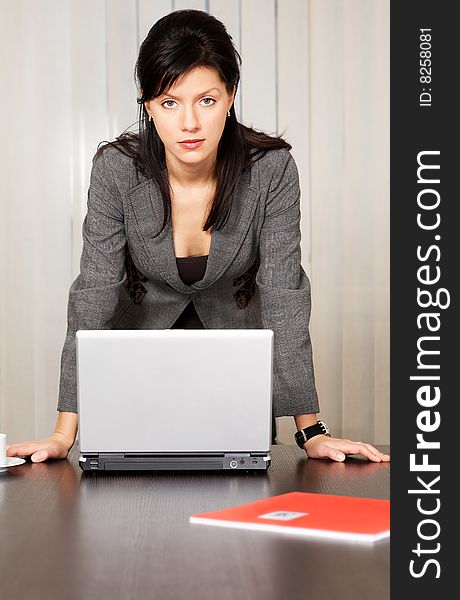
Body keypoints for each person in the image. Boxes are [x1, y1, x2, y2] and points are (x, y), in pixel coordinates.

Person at [7, 9, 389, 465]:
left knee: (238, 499)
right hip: (137, 371)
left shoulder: (271, 170)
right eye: (169, 102)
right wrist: (62, 433)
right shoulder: (116, 169)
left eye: (206, 100)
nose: (189, 123)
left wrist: (312, 432)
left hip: (233, 380)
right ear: (147, 105)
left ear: (230, 96)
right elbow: (93, 295)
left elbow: (285, 296)